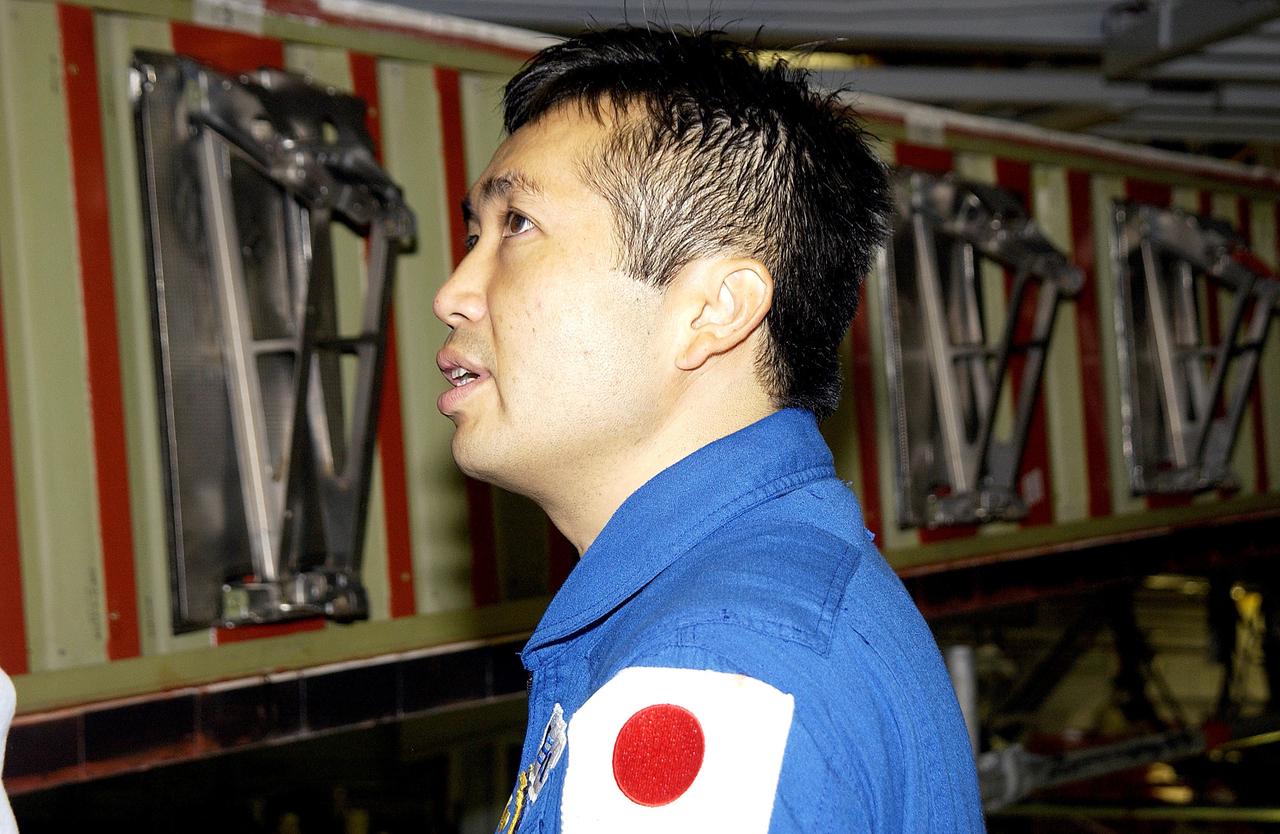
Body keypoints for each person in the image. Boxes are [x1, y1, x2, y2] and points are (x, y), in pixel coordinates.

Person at [433, 26, 984, 833]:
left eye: (516, 225)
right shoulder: (774, 598)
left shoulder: (708, 671)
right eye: (473, 235)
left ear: (714, 311)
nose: (452, 293)